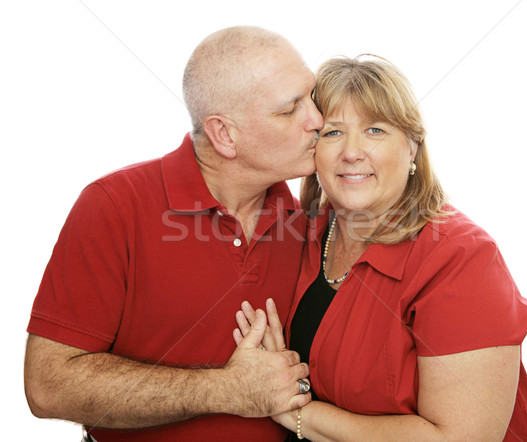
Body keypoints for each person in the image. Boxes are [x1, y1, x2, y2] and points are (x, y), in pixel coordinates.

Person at [23, 26, 323, 442]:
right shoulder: (113, 205)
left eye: (313, 96)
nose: (318, 121)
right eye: (290, 109)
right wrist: (228, 390)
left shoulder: (314, 218)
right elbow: (47, 386)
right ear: (225, 134)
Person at [234, 55, 527, 440]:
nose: (352, 152)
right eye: (332, 132)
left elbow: (461, 438)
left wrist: (296, 412)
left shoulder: (461, 258)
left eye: (375, 130)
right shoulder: (305, 232)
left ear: (413, 145)